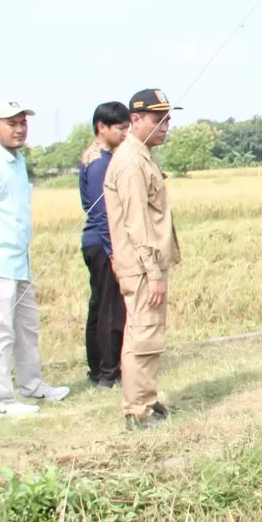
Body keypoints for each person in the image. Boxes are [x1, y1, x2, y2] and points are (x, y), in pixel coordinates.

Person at [0, 100, 70, 419]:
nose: (19, 129)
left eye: (23, 123)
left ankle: (31, 385)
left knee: (27, 328)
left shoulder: (16, 161)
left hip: (17, 262)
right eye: (11, 123)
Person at [103, 88, 182, 430]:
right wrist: (153, 273)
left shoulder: (142, 155)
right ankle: (138, 410)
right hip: (141, 265)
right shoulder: (131, 161)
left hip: (145, 263)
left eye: (167, 120)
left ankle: (146, 398)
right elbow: (136, 223)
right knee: (143, 335)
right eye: (157, 120)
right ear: (134, 119)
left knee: (146, 332)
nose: (165, 127)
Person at [79, 101, 130, 389]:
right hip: (103, 242)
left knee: (99, 306)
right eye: (120, 128)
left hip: (96, 241)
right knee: (110, 307)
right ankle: (109, 371)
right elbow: (103, 212)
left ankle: (98, 368)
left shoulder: (96, 156)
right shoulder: (100, 162)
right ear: (102, 127)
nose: (125, 133)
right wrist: (113, 253)